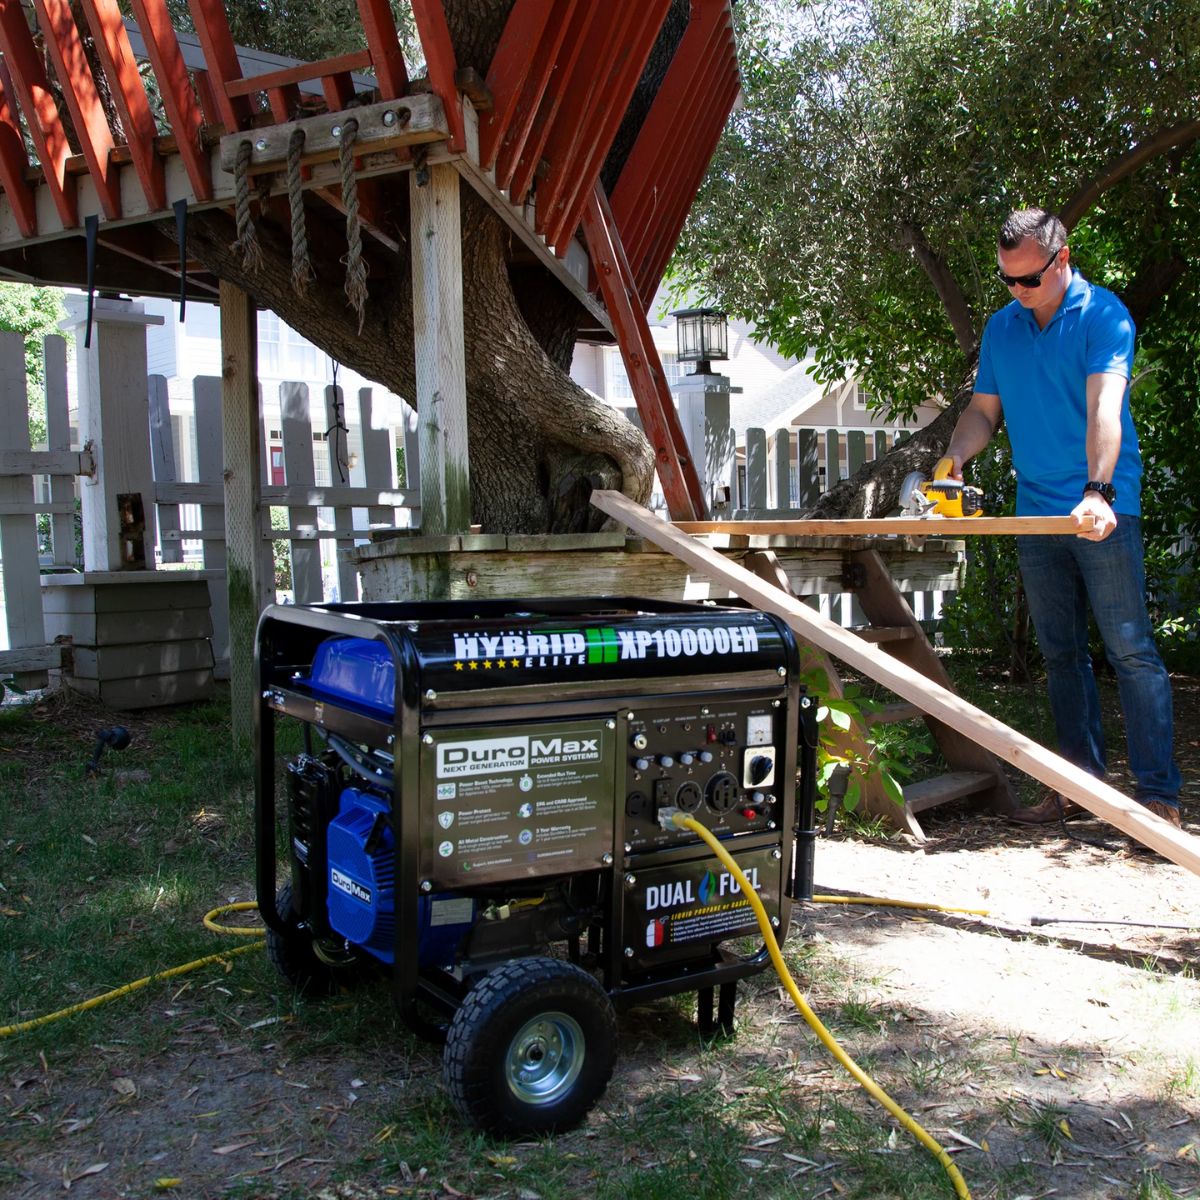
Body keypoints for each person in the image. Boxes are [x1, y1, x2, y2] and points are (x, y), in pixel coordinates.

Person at [944, 207, 1183, 829]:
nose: (1018, 293)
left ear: (1063, 258)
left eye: (1029, 280)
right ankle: (1078, 788)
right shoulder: (1002, 329)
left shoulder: (1104, 316)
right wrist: (956, 455)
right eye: (1008, 282)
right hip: (1037, 514)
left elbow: (1106, 407)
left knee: (1130, 650)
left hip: (1101, 509)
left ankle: (1159, 798)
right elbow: (982, 413)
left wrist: (1098, 490)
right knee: (1062, 655)